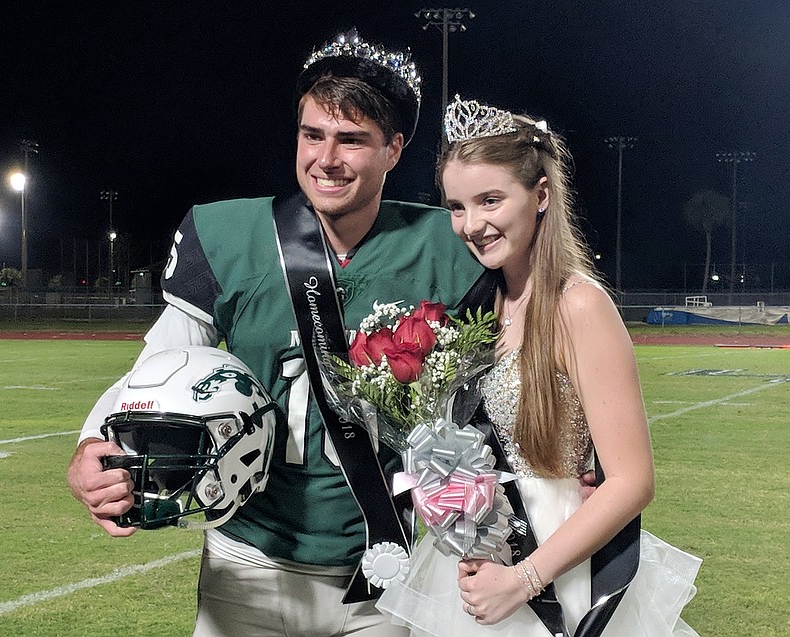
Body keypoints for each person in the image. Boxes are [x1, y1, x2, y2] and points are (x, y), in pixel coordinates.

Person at [67, 31, 492, 637]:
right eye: (312, 134)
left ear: (394, 150)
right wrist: (91, 446)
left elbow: (507, 376)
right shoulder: (229, 233)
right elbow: (160, 362)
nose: (327, 158)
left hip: (382, 569)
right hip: (248, 563)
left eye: (352, 140)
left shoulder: (448, 244)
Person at [376, 95, 702, 637]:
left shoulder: (579, 304)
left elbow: (633, 480)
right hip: (480, 564)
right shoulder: (480, 307)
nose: (471, 224)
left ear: (542, 195)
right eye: (456, 206)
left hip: (557, 566)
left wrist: (525, 579)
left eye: (490, 200)